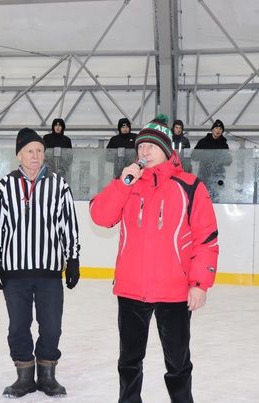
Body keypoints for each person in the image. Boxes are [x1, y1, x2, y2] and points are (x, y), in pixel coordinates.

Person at [89, 115, 219, 403]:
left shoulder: (190, 187)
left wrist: (200, 283)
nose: (144, 151)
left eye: (151, 145)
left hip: (173, 291)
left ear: (167, 150)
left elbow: (206, 239)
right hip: (131, 289)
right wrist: (123, 184)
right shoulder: (128, 183)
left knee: (178, 364)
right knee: (129, 362)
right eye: (141, 146)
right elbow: (100, 216)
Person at [0, 127, 81, 398]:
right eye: (30, 150)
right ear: (19, 154)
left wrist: (72, 258)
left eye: (40, 150)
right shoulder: (4, 186)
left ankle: (48, 376)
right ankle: (24, 376)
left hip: (50, 270)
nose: (36, 155)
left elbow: (69, 226)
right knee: (18, 325)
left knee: (51, 325)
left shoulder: (59, 185)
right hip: (15, 272)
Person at [191, 119, 232, 201]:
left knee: (215, 198)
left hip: (217, 176)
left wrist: (220, 160)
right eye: (216, 128)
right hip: (204, 174)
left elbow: (229, 161)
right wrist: (206, 156)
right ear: (212, 129)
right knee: (202, 197)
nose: (218, 130)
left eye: (220, 129)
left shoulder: (224, 144)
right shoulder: (203, 142)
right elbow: (194, 156)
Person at [43, 118, 73, 182]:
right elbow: (43, 153)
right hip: (49, 169)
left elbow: (69, 157)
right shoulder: (47, 138)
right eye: (55, 125)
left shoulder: (67, 140)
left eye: (59, 125)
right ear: (53, 127)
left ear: (62, 127)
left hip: (62, 171)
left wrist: (64, 167)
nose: (57, 127)